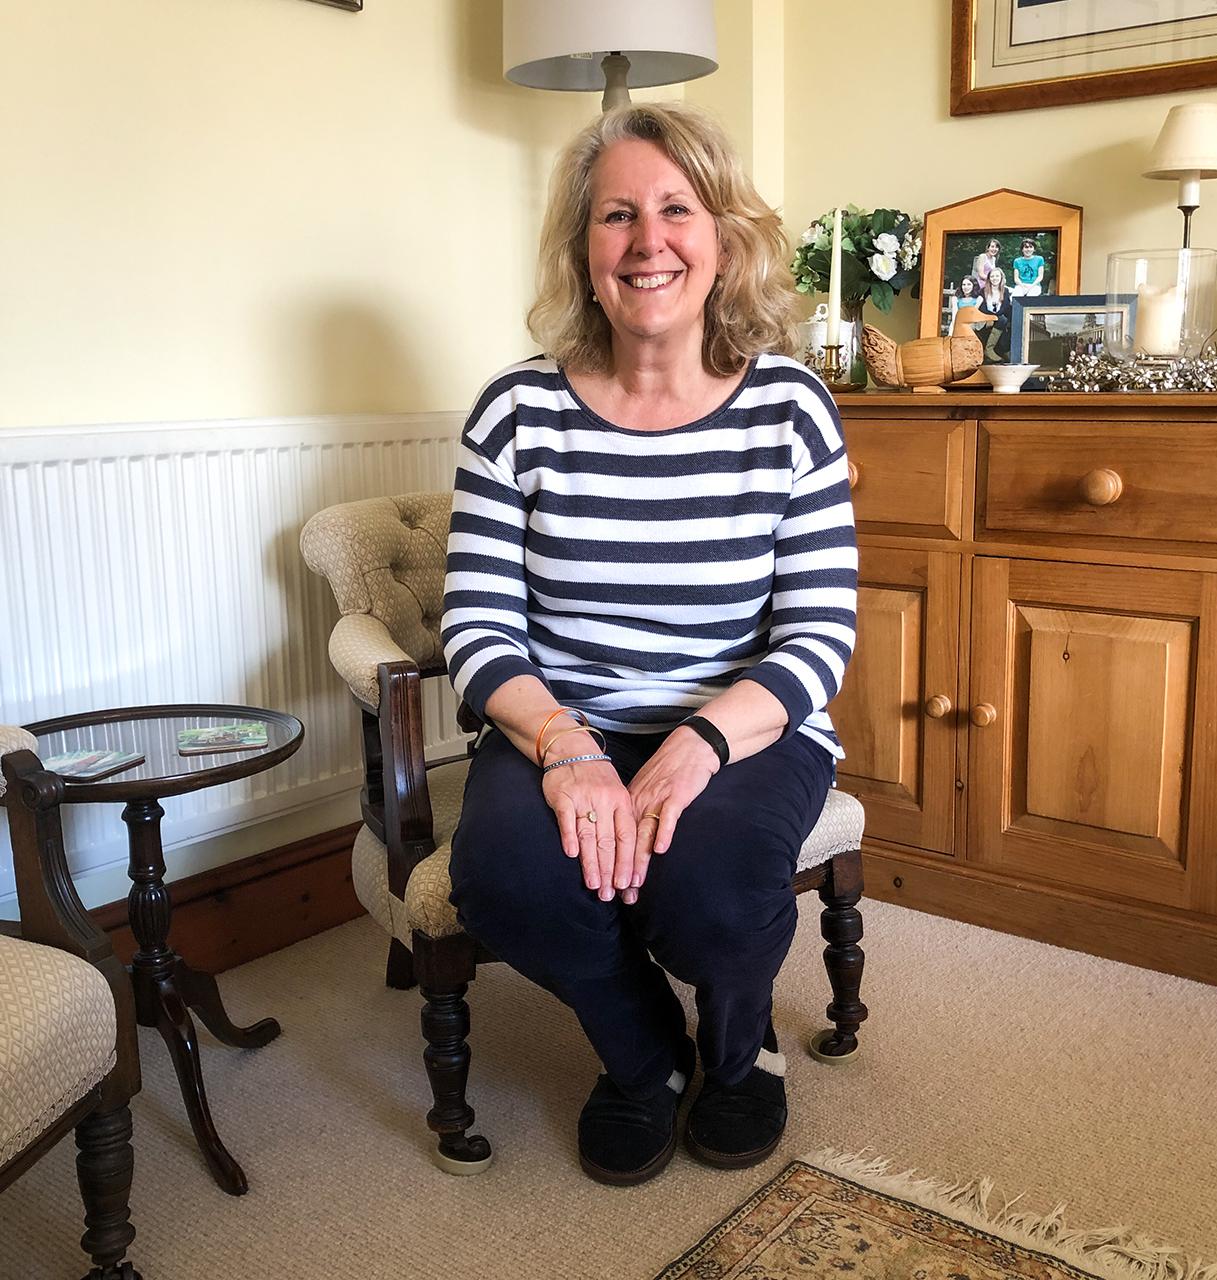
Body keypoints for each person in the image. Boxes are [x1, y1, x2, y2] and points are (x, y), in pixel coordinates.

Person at [441, 102, 857, 1188]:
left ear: (720, 235)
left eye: (675, 208)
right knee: (503, 877)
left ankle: (736, 1048)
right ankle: (641, 1058)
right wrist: (567, 748)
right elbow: (476, 625)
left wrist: (700, 743)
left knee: (708, 886)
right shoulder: (515, 412)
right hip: (564, 723)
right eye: (615, 213)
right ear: (583, 248)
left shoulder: (790, 410)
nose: (646, 239)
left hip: (746, 727)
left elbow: (819, 633)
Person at [981, 265, 1013, 362]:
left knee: (1004, 320)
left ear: (1001, 278)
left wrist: (995, 316)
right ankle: (989, 349)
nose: (994, 279)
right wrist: (990, 317)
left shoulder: (1005, 291)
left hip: (999, 318)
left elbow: (1006, 306)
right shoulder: (983, 291)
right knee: (1002, 320)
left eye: (997, 276)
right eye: (992, 276)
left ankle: (1002, 350)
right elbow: (982, 307)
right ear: (989, 278)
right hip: (986, 318)